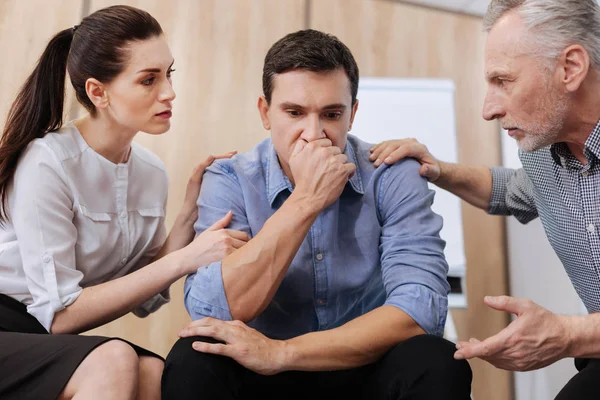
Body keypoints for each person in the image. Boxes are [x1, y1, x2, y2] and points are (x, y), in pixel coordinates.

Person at [161, 29, 472, 400]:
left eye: (331, 114)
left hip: (361, 362)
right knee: (192, 358)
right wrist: (306, 200)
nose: (313, 134)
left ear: (352, 115)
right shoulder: (230, 178)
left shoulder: (393, 175)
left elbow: (420, 311)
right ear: (265, 112)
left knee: (437, 359)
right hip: (261, 374)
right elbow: (213, 308)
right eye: (294, 113)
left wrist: (283, 353)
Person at [0, 5, 248, 400]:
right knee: (112, 358)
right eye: (149, 79)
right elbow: (62, 316)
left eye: (169, 73)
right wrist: (186, 258)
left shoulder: (151, 173)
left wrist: (188, 214)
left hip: (37, 335)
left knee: (151, 371)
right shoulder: (47, 163)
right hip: (11, 324)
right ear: (98, 92)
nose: (169, 91)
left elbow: (144, 294)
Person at [368, 0, 600, 398]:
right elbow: (512, 189)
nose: (488, 109)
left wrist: (567, 333)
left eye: (503, 81)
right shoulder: (544, 156)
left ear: (570, 68)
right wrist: (437, 168)